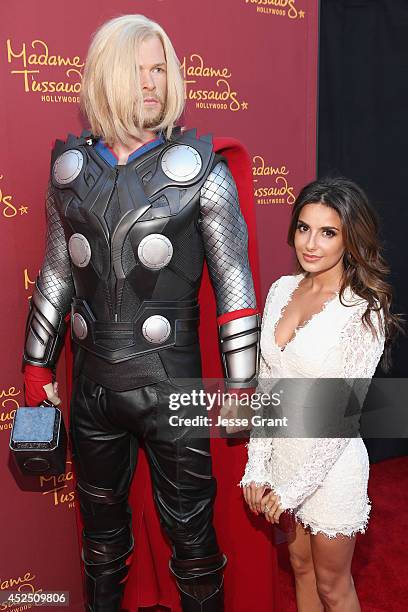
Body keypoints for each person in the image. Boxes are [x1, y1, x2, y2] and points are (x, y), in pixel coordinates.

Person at [22, 14, 260, 612]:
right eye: (139, 69)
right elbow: (57, 272)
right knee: (100, 543)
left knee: (194, 543)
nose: (152, 82)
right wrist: (35, 368)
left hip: (174, 386)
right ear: (106, 76)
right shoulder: (69, 172)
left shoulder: (206, 172)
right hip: (93, 387)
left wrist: (241, 383)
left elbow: (234, 278)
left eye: (161, 69)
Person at [240, 177, 401, 611]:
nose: (311, 244)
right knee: (300, 567)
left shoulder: (363, 312)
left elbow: (341, 420)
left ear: (351, 239)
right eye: (304, 228)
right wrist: (257, 467)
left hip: (330, 469)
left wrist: (290, 492)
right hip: (286, 458)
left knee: (333, 585)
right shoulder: (279, 291)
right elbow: (268, 386)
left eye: (328, 232)